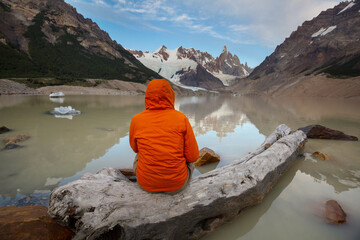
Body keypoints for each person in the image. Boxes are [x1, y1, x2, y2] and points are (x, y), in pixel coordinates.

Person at [129, 79, 199, 194]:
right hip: (177, 185)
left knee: (139, 153)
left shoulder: (136, 120)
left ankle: (150, 177)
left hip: (146, 184)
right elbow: (193, 156)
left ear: (147, 96)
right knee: (189, 157)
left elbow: (135, 148)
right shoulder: (181, 118)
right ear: (170, 95)